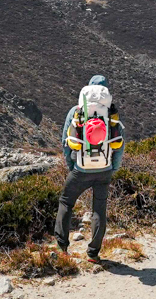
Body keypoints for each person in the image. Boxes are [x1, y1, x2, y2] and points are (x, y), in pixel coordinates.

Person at [56, 75, 124, 263]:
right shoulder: (111, 113)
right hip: (104, 169)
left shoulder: (76, 111)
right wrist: (112, 169)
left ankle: (62, 247)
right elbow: (119, 144)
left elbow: (65, 142)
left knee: (66, 202)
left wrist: (72, 166)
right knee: (99, 210)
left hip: (81, 169)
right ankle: (93, 253)